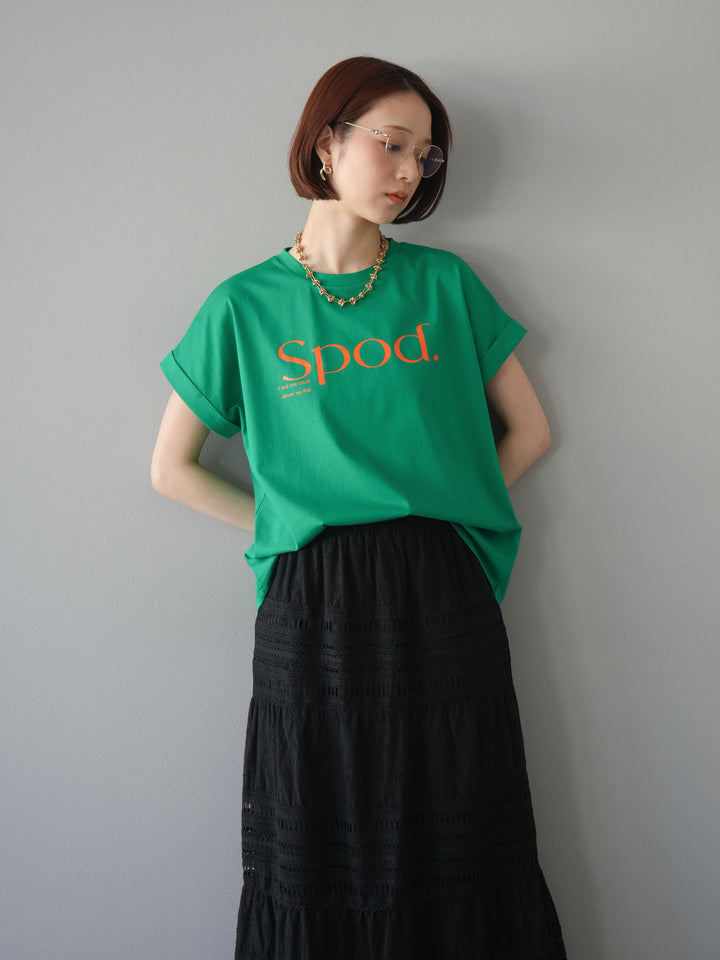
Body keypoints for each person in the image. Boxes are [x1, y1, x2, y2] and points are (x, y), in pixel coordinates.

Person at [152, 56, 566, 960]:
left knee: (459, 818)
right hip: (312, 599)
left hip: (439, 587)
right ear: (326, 145)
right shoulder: (243, 305)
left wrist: (450, 511)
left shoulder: (445, 285)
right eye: (393, 144)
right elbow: (172, 469)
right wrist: (285, 526)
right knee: (319, 832)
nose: (412, 171)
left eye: (427, 155)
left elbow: (530, 431)